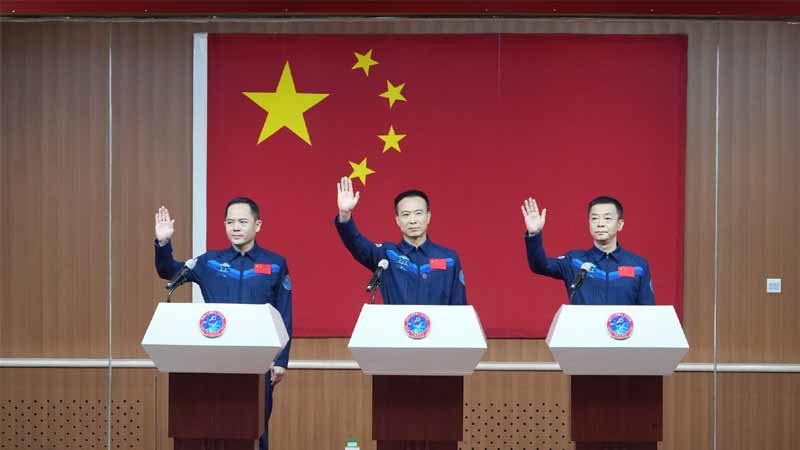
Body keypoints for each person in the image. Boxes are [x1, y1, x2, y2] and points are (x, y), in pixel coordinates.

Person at [154, 197, 291, 450]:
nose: (235, 227)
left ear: (257, 225)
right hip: (213, 363)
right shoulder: (209, 263)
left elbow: (284, 313)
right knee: (212, 428)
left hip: (257, 362)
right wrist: (163, 243)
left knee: (255, 430)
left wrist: (281, 360)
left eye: (242, 222)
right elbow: (169, 271)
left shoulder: (275, 264)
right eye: (230, 222)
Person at [335, 176, 466, 305]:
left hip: (440, 327)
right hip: (395, 327)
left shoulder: (449, 259)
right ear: (397, 220)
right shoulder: (387, 255)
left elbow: (460, 308)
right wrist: (345, 214)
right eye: (406, 214)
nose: (413, 220)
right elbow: (355, 242)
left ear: (428, 217)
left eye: (418, 213)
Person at [521, 196, 654, 305]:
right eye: (595, 218)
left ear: (619, 224)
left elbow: (648, 311)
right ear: (589, 222)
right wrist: (534, 234)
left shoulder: (638, 265)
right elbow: (540, 265)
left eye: (607, 218)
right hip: (583, 336)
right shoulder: (575, 261)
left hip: (623, 335)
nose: (600, 224)